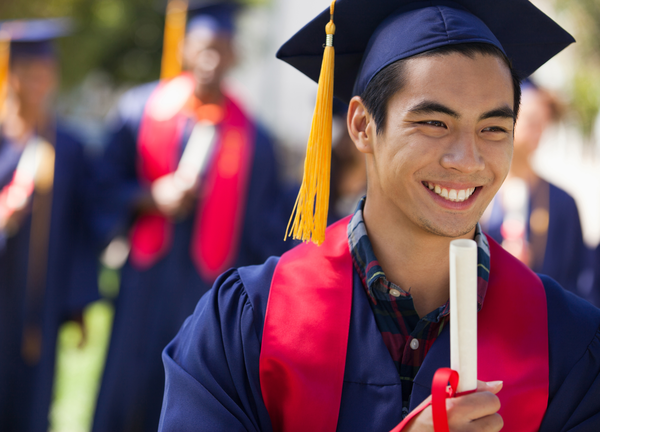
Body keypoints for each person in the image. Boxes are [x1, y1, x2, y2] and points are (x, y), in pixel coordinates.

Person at [159, 1, 599, 431]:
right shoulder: (245, 323)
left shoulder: (571, 345)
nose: (467, 160)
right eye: (433, 123)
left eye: (493, 129)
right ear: (362, 126)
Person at [90, 3, 294, 431]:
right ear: (184, 49)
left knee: (189, 386)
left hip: (206, 289)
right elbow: (103, 186)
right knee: (127, 386)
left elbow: (266, 227)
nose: (211, 59)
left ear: (235, 55)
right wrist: (149, 196)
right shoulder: (140, 111)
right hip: (143, 283)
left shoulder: (253, 139)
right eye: (203, 48)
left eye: (221, 49)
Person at [0, 18, 100, 432]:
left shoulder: (67, 147)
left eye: (45, 73)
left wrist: (77, 302)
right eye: (29, 73)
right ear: (9, 74)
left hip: (42, 300)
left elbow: (79, 229)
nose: (39, 83)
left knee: (34, 408)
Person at [480, 79, 596, 304]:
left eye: (543, 124)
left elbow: (579, 281)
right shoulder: (475, 194)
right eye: (532, 122)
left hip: (546, 323)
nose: (539, 132)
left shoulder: (563, 203)